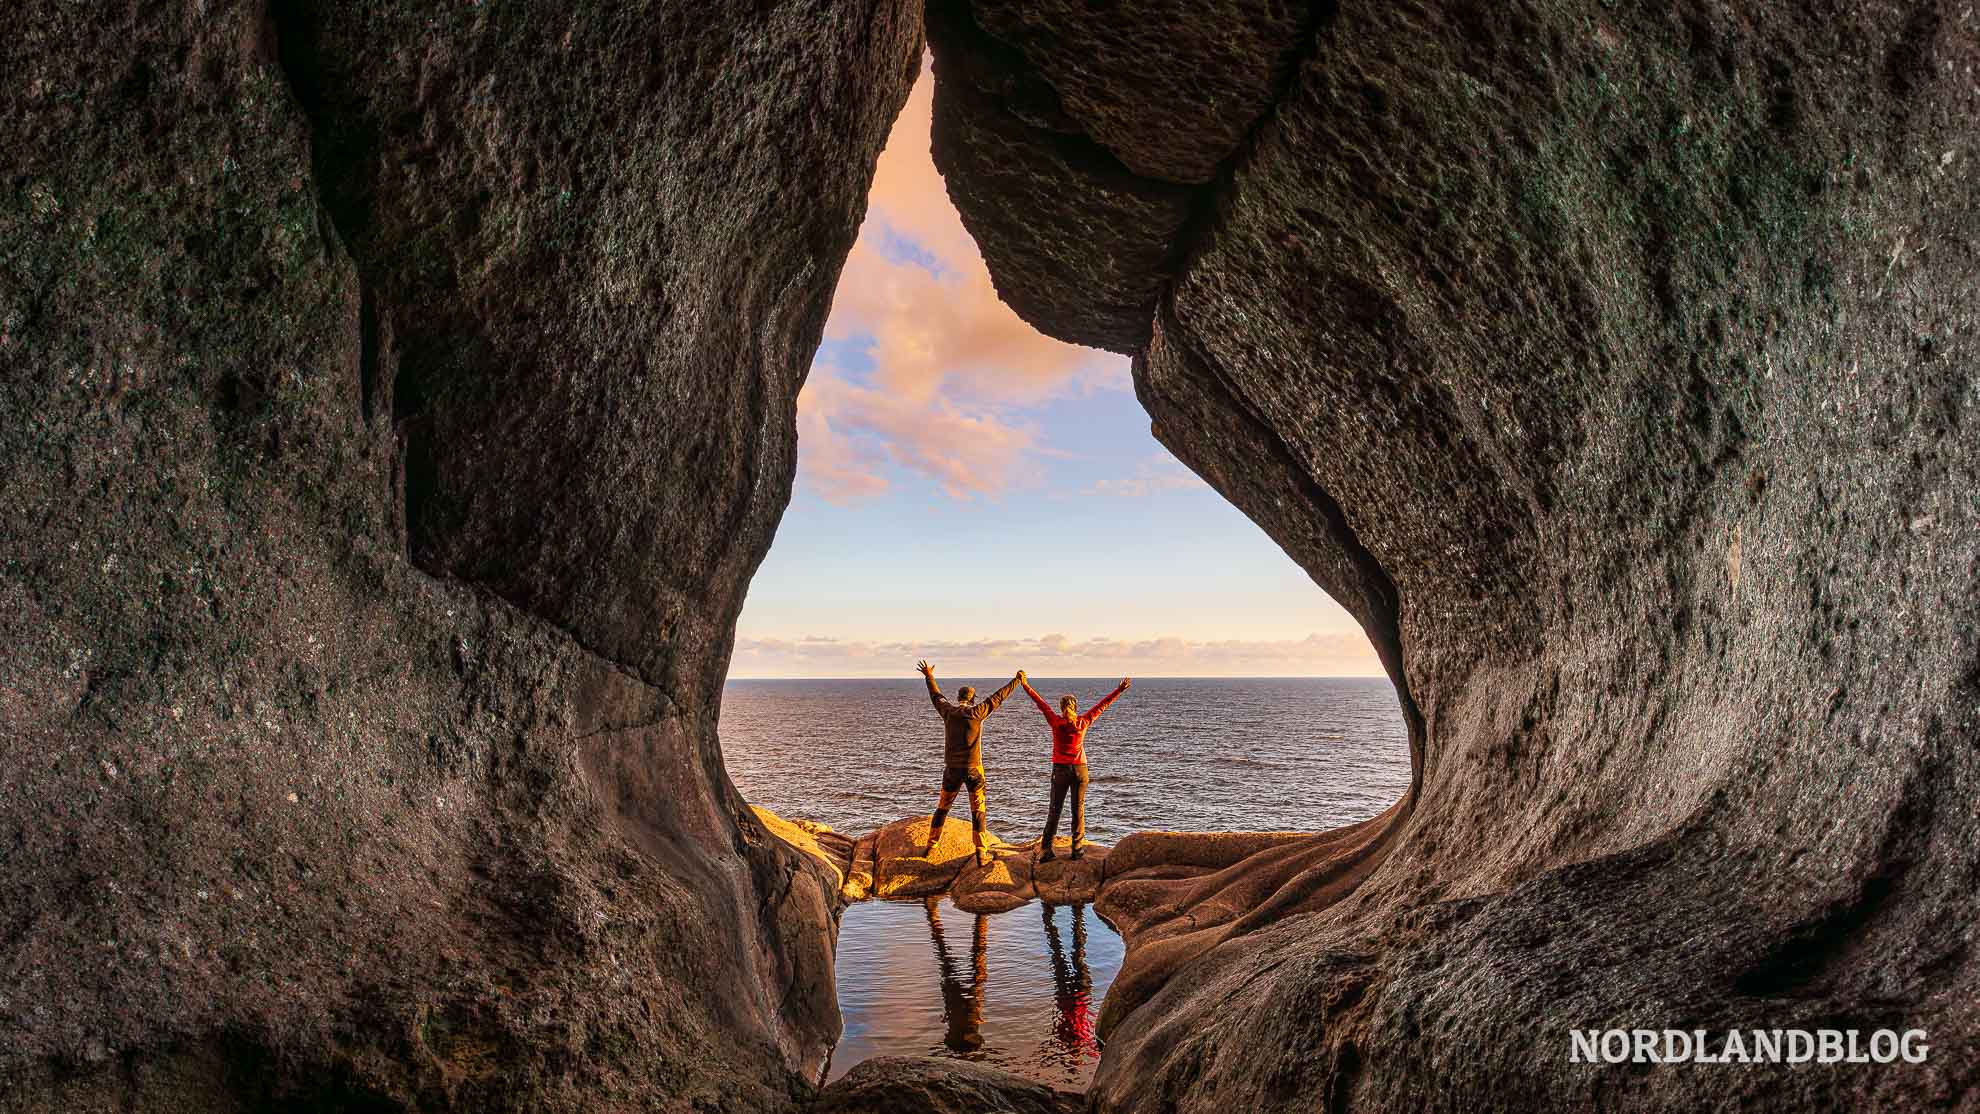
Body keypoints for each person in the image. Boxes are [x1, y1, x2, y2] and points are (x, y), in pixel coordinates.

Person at [917, 660, 1023, 866]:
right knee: (978, 811)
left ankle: (932, 845)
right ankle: (981, 852)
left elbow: (936, 695)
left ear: (958, 698)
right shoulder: (977, 712)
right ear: (973, 699)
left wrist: (929, 675)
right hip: (974, 770)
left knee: (942, 808)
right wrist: (1017, 681)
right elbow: (998, 697)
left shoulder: (948, 711)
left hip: (952, 770)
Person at [1021, 676, 1129, 861]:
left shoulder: (1056, 722)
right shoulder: (1083, 722)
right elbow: (1102, 705)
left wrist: (1025, 685)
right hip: (1080, 770)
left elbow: (1040, 703)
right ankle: (1077, 850)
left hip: (1061, 770)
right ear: (1075, 707)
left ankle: (1046, 850)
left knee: (1055, 809)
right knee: (1077, 810)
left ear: (1061, 708)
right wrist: (1119, 690)